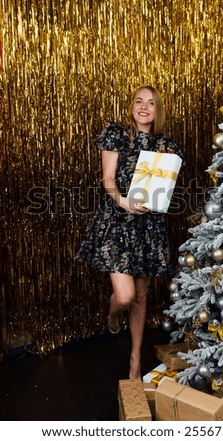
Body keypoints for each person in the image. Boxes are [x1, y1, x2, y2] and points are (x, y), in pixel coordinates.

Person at [76, 85, 184, 379]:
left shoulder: (166, 145)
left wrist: (162, 169)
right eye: (139, 101)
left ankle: (135, 360)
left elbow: (165, 186)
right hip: (117, 222)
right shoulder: (117, 135)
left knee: (141, 294)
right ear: (132, 107)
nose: (144, 107)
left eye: (151, 103)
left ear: (157, 109)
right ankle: (113, 316)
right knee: (124, 297)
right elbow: (108, 179)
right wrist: (123, 201)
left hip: (148, 227)